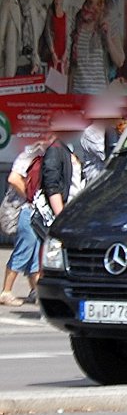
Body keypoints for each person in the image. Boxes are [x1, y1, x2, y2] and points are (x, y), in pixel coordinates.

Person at [0, 139, 50, 306]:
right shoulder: (29, 155)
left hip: (34, 211)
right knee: (24, 249)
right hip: (24, 210)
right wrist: (31, 198)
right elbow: (14, 178)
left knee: (35, 252)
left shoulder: (46, 155)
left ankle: (35, 290)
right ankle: (6, 292)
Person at [69, 0, 125, 94]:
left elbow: (120, 61)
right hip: (77, 95)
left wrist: (108, 39)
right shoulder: (78, 18)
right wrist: (68, 97)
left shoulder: (109, 15)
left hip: (99, 99)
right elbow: (73, 66)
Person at [0, 0, 45, 78]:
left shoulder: (32, 7)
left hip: (31, 67)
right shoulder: (8, 3)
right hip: (13, 67)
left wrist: (36, 61)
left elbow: (43, 16)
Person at [42, 111, 86, 221]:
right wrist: (60, 218)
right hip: (61, 212)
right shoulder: (55, 149)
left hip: (71, 210)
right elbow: (52, 185)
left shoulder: (66, 148)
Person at [41, 0, 71, 75]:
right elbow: (47, 33)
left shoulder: (65, 15)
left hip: (63, 53)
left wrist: (66, 52)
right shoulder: (50, 13)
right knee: (52, 80)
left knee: (62, 81)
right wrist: (53, 52)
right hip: (53, 52)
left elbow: (67, 35)